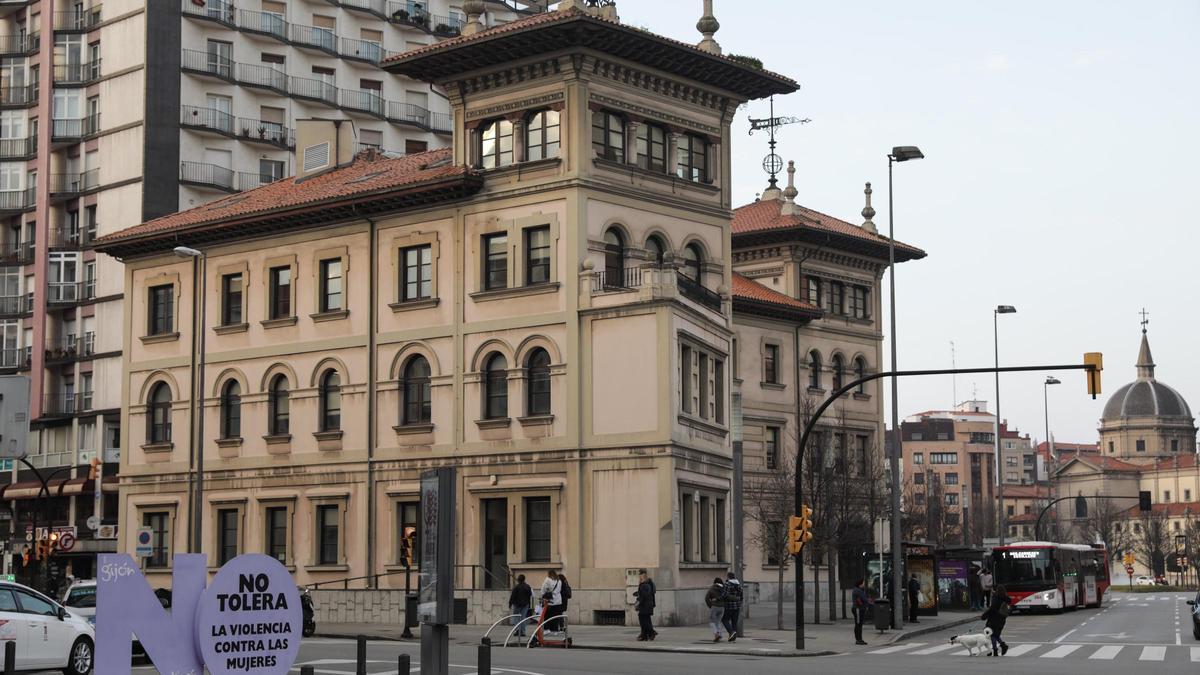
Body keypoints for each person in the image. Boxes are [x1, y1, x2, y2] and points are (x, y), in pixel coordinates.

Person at [981, 584, 1012, 656]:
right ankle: (999, 648)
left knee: (992, 634)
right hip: (1002, 619)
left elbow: (991, 609)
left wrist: (984, 616)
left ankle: (998, 649)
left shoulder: (996, 598)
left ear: (997, 590)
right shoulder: (1007, 599)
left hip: (993, 619)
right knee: (995, 635)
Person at [634, 568, 657, 641]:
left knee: (643, 620)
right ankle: (646, 635)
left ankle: (651, 632)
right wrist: (638, 593)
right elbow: (647, 593)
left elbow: (644, 596)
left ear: (643, 574)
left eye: (640, 574)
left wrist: (637, 604)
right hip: (649, 604)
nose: (639, 576)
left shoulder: (644, 584)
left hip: (645, 605)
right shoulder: (649, 583)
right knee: (646, 619)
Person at [851, 578, 874, 645]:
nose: (864, 584)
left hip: (858, 609)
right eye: (863, 583)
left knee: (858, 624)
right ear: (860, 584)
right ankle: (859, 639)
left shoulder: (857, 590)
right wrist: (870, 601)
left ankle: (859, 639)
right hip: (858, 609)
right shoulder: (858, 591)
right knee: (858, 625)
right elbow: (864, 599)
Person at [720, 572, 743, 642]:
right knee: (734, 622)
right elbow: (741, 596)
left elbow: (724, 595)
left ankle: (731, 632)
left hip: (729, 606)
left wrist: (718, 598)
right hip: (737, 606)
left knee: (724, 620)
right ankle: (733, 637)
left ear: (728, 577)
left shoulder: (727, 584)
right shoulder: (738, 585)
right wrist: (739, 602)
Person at [704, 577, 726, 643]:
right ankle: (720, 634)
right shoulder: (724, 588)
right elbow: (726, 597)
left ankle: (716, 634)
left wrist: (710, 605)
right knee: (719, 621)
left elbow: (706, 598)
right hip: (722, 607)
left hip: (715, 606)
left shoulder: (712, 588)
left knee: (712, 621)